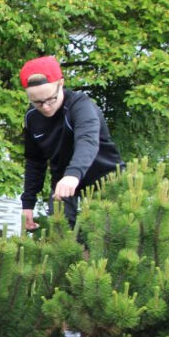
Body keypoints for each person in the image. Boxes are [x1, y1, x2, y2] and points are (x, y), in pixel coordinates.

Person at [20, 55, 124, 231]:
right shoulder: (32, 118)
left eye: (51, 99)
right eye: (37, 102)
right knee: (60, 234)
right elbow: (34, 162)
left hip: (105, 178)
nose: (45, 107)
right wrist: (28, 203)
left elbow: (87, 141)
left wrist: (73, 174)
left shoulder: (82, 107)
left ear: (61, 84)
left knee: (103, 237)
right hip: (63, 184)